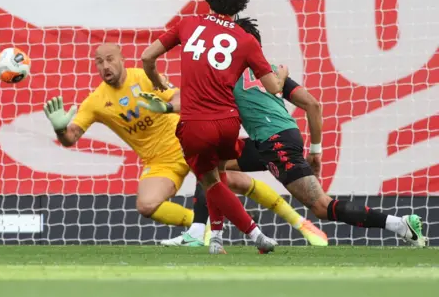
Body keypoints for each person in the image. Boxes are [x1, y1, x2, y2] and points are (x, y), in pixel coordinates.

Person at [141, 17, 427, 247]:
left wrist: (165, 106)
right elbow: (312, 105)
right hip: (280, 137)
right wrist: (316, 150)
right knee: (210, 165)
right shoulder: (272, 71)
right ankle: (200, 232)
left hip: (274, 143)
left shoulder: (225, 72)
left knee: (321, 207)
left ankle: (399, 223)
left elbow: (193, 100)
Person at [43, 44, 313, 247]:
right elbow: (70, 138)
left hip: (186, 142)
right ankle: (199, 230)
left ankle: (299, 222)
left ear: (122, 60)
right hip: (159, 161)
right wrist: (59, 127)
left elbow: (184, 99)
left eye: (110, 59)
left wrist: (167, 106)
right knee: (146, 205)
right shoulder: (95, 101)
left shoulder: (145, 77)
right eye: (99, 62)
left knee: (237, 182)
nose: (105, 66)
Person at [140, 0, 287, 254]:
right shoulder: (245, 40)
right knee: (217, 172)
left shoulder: (189, 24)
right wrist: (282, 75)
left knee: (212, 182)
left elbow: (147, 57)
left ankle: (256, 235)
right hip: (228, 123)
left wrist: (158, 82)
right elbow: (274, 88)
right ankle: (215, 239)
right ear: (239, 5)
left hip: (196, 123)